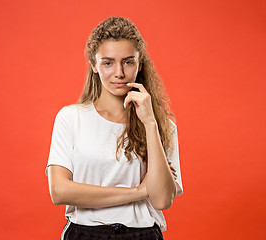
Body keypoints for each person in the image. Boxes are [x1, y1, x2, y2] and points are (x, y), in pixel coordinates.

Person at [46, 16, 183, 240]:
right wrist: (138, 192)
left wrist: (150, 123)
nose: (119, 72)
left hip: (143, 234)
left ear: (139, 65)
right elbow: (59, 191)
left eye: (128, 62)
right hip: (84, 233)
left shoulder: (161, 126)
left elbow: (161, 200)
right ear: (94, 65)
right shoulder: (71, 118)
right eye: (108, 62)